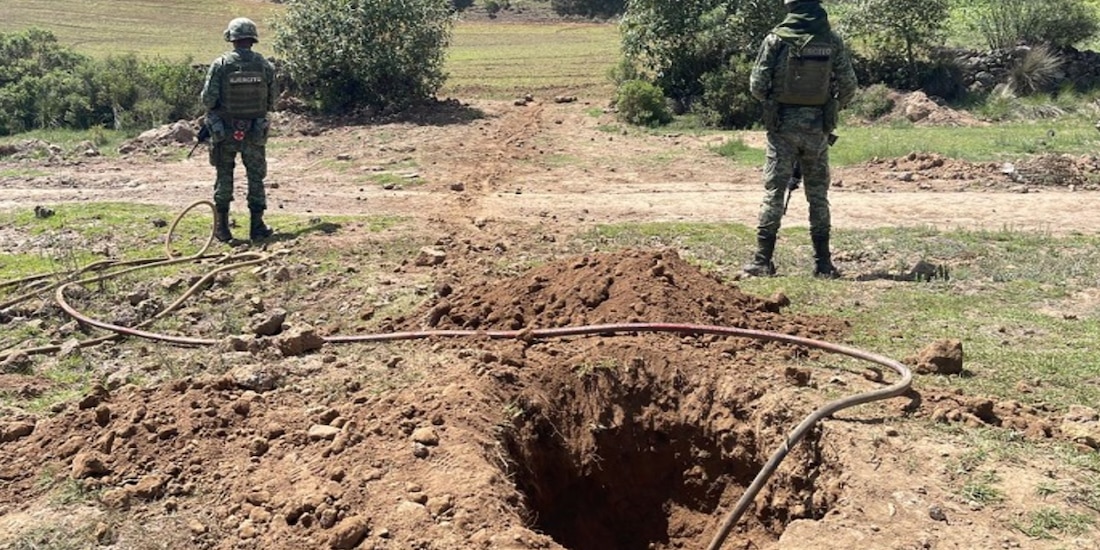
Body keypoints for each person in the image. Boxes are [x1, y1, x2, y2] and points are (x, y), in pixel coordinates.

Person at [741, 0, 857, 278]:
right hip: (817, 130)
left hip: (781, 128)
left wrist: (774, 100)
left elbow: (756, 86)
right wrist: (829, 106)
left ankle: (762, 261)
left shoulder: (776, 39)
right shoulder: (832, 41)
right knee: (818, 197)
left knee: (774, 193)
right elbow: (849, 87)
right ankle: (823, 264)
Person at [201, 17, 277, 243]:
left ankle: (223, 229)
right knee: (256, 178)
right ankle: (257, 227)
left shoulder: (221, 65)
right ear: (252, 39)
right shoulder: (265, 65)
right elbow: (272, 102)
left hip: (224, 131)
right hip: (254, 131)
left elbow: (208, 100)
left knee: (224, 176)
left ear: (232, 39)